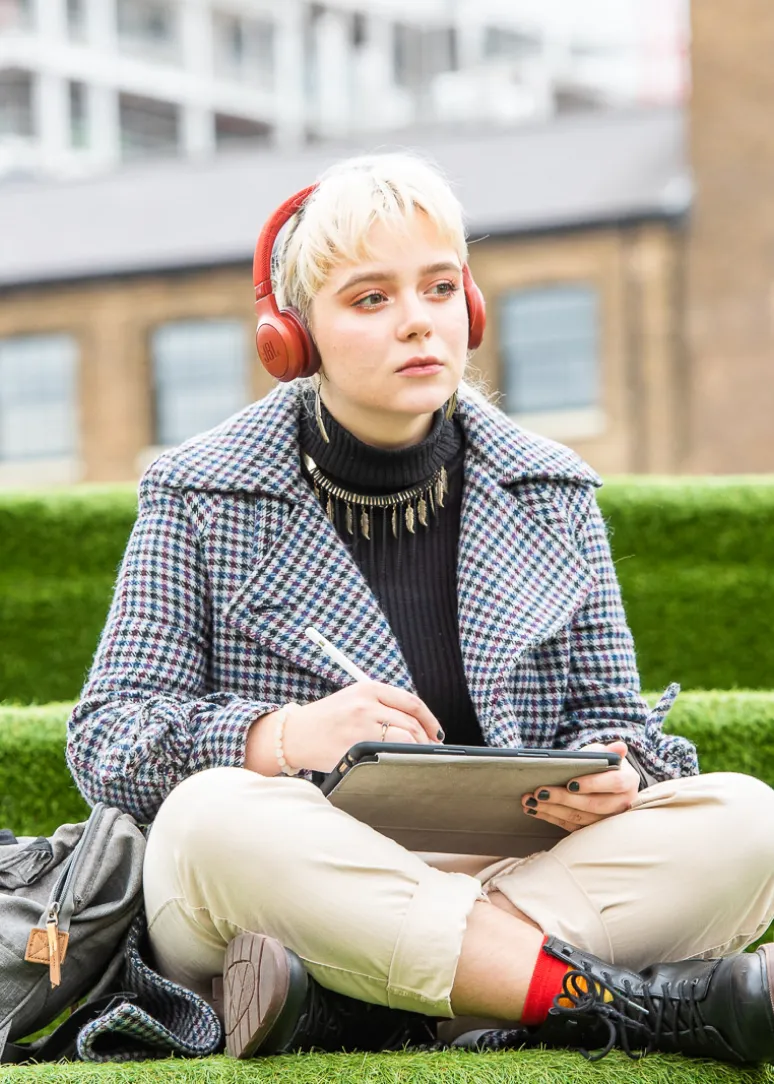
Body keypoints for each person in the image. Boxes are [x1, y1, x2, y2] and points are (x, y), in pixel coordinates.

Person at [67, 152, 774, 1066]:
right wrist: (281, 739)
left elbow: (613, 720)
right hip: (276, 883)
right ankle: (620, 1003)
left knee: (750, 819)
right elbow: (107, 739)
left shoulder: (552, 489)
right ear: (295, 336)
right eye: (371, 299)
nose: (418, 323)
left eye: (440, 288)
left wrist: (621, 774)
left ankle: (358, 1002)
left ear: (470, 307)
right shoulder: (198, 491)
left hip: (497, 876)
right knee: (211, 817)